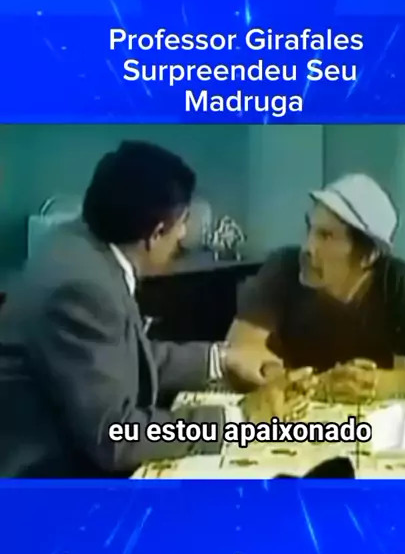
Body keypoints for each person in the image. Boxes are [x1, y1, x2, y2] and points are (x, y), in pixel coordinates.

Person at [0, 140, 282, 478]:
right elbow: (116, 437)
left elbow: (119, 357)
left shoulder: (78, 244)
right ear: (156, 233)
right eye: (183, 222)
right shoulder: (81, 289)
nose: (183, 235)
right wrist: (235, 422)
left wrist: (221, 360)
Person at [227, 174, 405, 403]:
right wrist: (291, 380)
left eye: (326, 236)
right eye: (310, 230)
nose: (307, 248)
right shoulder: (283, 268)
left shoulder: (398, 283)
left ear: (368, 256)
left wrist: (386, 383)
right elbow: (239, 352)